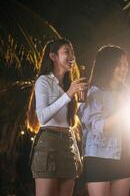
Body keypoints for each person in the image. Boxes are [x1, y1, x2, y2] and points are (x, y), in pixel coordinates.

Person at [26, 38, 87, 196]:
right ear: (53, 57)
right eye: (67, 51)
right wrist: (68, 94)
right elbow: (42, 117)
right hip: (48, 144)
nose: (72, 56)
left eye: (72, 52)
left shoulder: (68, 85)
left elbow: (69, 122)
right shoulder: (43, 81)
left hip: (68, 143)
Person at [78, 45, 130, 196]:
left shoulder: (127, 92)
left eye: (125, 64)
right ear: (108, 66)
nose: (124, 68)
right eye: (119, 64)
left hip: (123, 154)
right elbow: (98, 126)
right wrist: (124, 110)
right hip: (98, 156)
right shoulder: (93, 93)